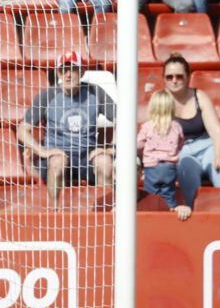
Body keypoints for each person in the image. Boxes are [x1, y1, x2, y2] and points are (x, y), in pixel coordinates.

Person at [16, 52, 116, 208]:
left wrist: (111, 148)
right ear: (58, 73)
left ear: (82, 71)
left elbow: (122, 119)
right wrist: (42, 151)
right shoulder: (48, 95)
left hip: (87, 156)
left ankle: (106, 217)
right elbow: (22, 130)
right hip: (58, 154)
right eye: (64, 70)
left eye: (73, 69)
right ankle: (55, 215)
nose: (68, 75)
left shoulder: (95, 92)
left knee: (105, 162)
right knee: (57, 163)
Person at [161, 54, 220, 210]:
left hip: (206, 146)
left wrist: (218, 156)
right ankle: (196, 215)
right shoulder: (161, 101)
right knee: (186, 172)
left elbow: (216, 130)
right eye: (169, 77)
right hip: (180, 150)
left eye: (179, 76)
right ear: (164, 78)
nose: (174, 80)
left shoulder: (199, 96)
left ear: (188, 77)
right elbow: (157, 135)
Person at [138, 90, 192, 220]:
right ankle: (169, 213)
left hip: (152, 166)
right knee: (168, 193)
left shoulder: (147, 126)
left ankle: (152, 217)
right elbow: (180, 143)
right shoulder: (177, 126)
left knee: (151, 193)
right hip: (169, 166)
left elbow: (138, 144)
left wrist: (142, 154)